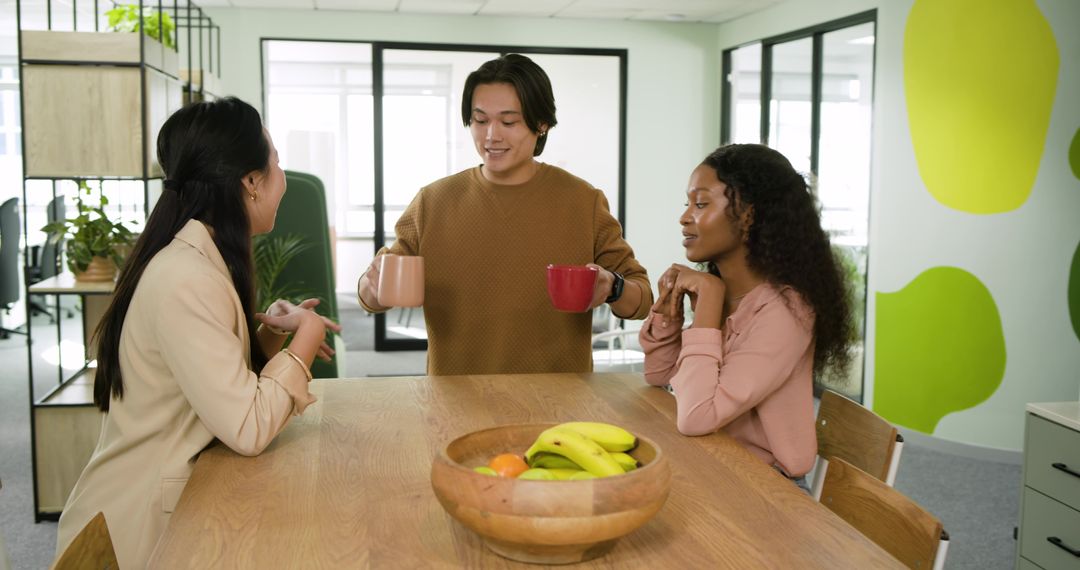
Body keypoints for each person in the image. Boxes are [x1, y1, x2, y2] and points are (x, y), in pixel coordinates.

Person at [54, 97, 340, 568]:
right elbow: (247, 427)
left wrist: (270, 334)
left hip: (169, 504)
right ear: (251, 182)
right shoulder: (187, 278)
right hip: (140, 528)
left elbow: (212, 385)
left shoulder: (197, 259)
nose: (282, 177)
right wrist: (306, 335)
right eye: (276, 162)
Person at [357, 53, 652, 375]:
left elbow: (642, 300)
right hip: (454, 395)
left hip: (559, 396)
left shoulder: (583, 201)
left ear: (542, 123)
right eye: (480, 120)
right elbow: (373, 294)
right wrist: (372, 285)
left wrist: (612, 287)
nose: (491, 136)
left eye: (509, 122)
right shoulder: (433, 201)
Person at [639, 144, 853, 484]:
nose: (685, 217)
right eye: (687, 204)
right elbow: (659, 375)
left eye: (701, 204)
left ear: (748, 215)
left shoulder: (787, 311)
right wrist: (670, 318)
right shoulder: (725, 292)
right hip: (717, 461)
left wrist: (709, 298)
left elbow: (696, 417)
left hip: (767, 486)